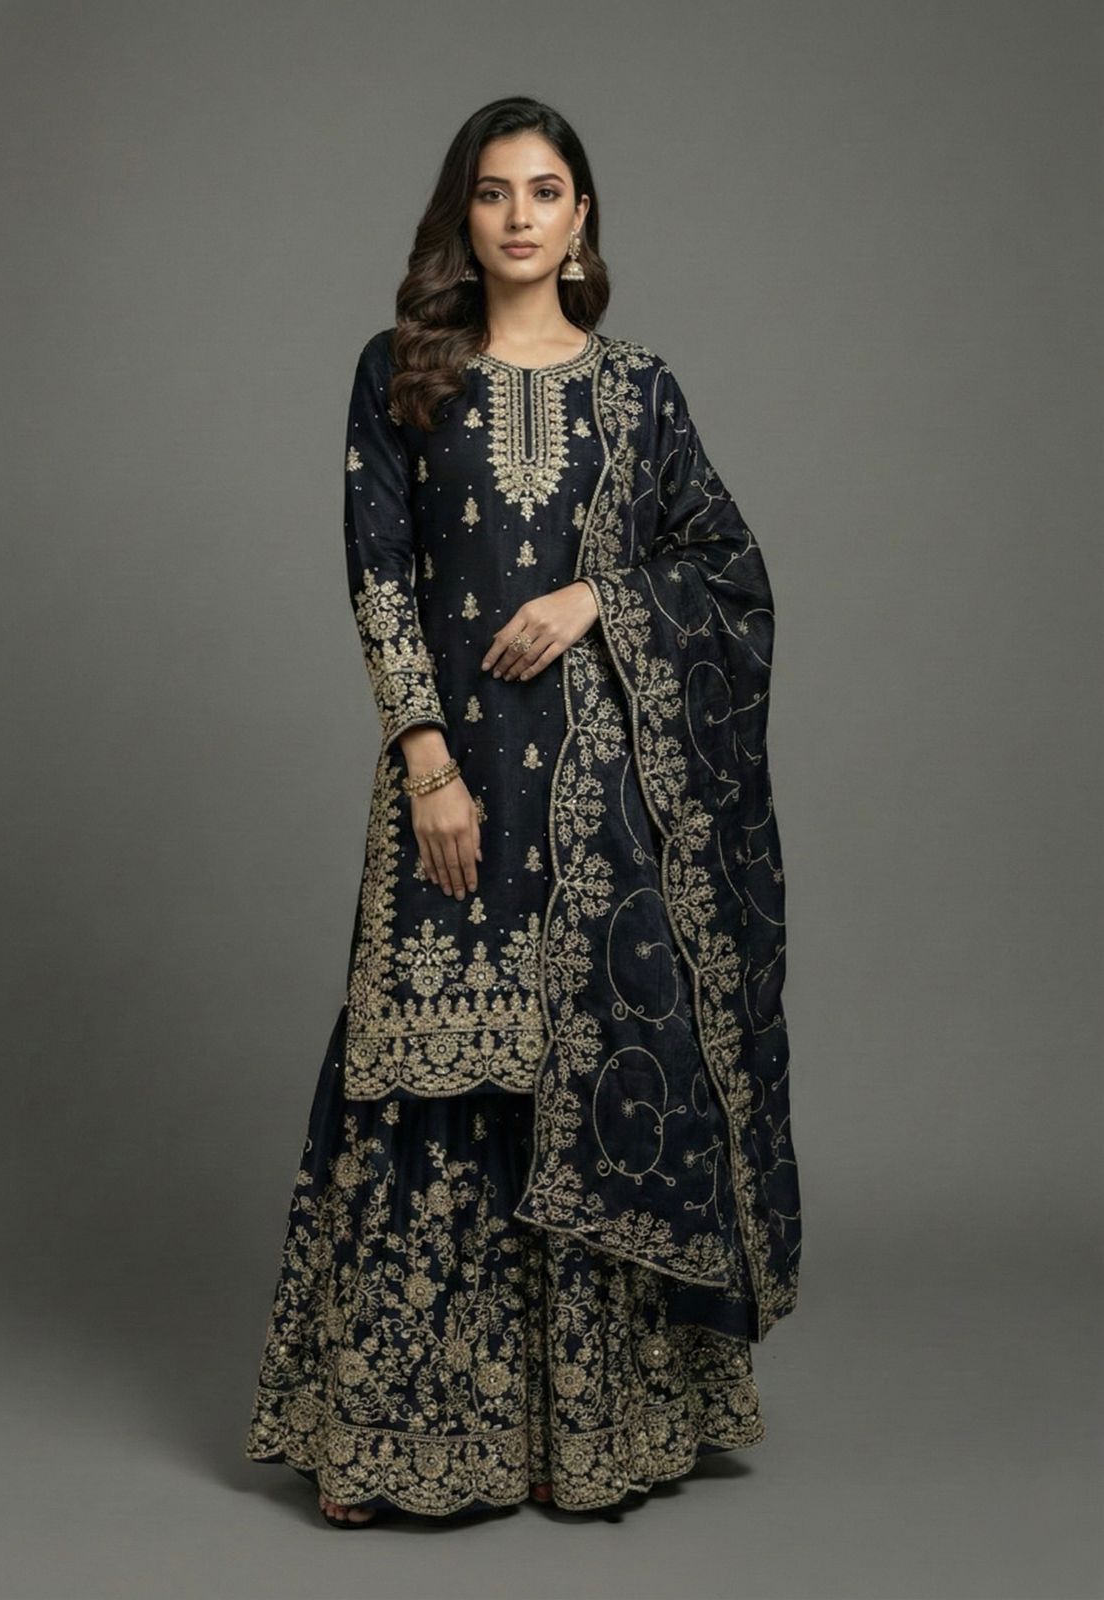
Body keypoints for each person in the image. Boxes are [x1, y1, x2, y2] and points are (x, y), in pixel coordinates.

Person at [244, 94, 801, 1529]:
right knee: (427, 1080)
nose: (518, 217)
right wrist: (425, 762)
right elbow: (379, 574)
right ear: (463, 213)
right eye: (492, 192)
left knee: (579, 1078)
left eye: (545, 191)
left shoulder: (641, 392)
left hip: (603, 809)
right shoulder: (402, 373)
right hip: (455, 785)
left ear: (581, 216)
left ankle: (585, 1435)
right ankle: (392, 1439)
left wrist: (596, 595)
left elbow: (730, 573)